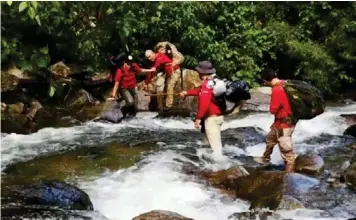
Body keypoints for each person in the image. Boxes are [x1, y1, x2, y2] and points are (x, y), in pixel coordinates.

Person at [255, 68, 297, 172]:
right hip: (281, 122)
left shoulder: (277, 89)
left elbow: (273, 110)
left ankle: (289, 174)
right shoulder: (285, 83)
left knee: (286, 150)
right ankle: (265, 158)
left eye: (264, 82)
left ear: (266, 81)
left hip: (284, 125)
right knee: (270, 139)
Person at [180, 61, 224, 159]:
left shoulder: (207, 83)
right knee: (212, 144)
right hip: (218, 116)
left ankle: (219, 170)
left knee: (215, 149)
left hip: (212, 118)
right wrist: (187, 92)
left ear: (201, 72)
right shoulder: (213, 81)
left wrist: (198, 118)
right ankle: (212, 167)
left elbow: (205, 102)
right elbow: (200, 92)